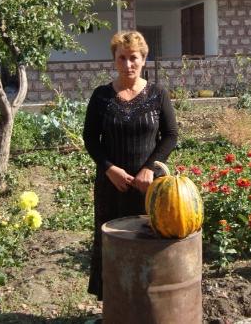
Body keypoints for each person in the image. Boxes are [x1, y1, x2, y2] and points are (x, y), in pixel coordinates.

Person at [82, 30, 178, 300]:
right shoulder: (101, 96)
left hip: (148, 189)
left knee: (148, 245)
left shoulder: (158, 94)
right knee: (113, 246)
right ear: (114, 60)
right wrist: (109, 169)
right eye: (121, 58)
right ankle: (116, 307)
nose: (128, 64)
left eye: (133, 57)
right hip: (111, 188)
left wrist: (150, 168)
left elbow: (170, 135)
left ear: (144, 59)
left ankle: (146, 306)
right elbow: (90, 138)